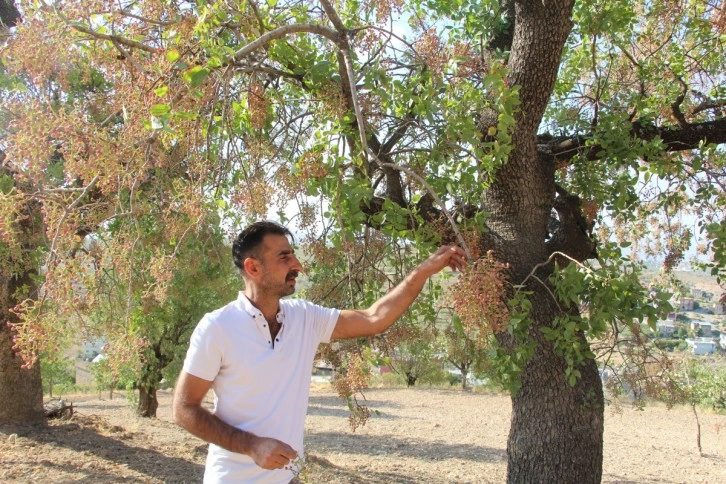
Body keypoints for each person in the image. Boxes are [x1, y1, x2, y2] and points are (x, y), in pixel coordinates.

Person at [172, 221, 467, 483]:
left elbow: (374, 319)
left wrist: (424, 270)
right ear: (253, 268)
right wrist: (252, 445)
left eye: (293, 254)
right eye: (284, 257)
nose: (297, 264)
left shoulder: (304, 317)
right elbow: (184, 409)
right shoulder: (218, 327)